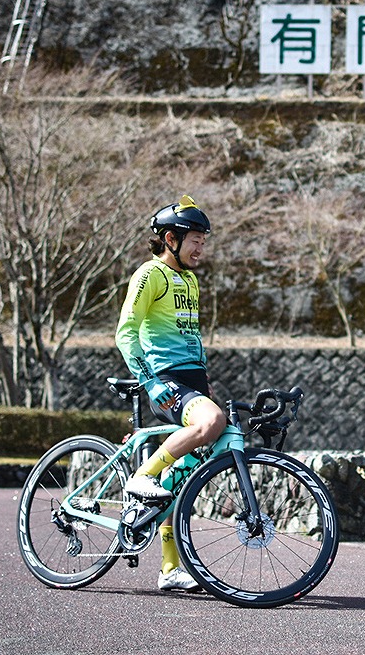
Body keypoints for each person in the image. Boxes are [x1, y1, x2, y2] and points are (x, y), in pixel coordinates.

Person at [116, 195, 227, 593]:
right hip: (165, 381)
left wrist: (206, 381)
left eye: (203, 240)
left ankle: (168, 568)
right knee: (212, 422)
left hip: (192, 381)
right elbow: (125, 332)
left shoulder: (190, 280)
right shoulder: (150, 275)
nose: (201, 247)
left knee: (179, 478)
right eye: (195, 239)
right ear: (170, 238)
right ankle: (140, 477)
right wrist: (151, 382)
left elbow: (190, 337)